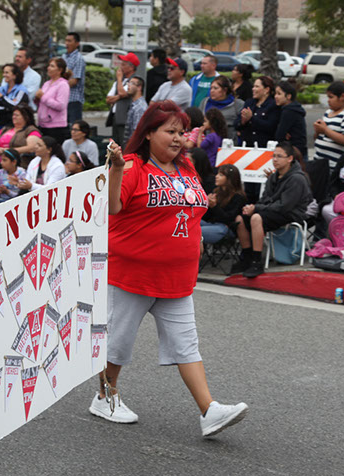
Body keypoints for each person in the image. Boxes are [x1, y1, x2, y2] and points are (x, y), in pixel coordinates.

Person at [90, 100, 248, 437]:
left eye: (181, 131)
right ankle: (105, 395)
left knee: (186, 344)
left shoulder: (187, 168)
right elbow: (114, 207)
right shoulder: (132, 166)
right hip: (131, 274)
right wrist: (116, 168)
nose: (178, 138)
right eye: (169, 131)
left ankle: (209, 410)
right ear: (148, 133)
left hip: (177, 277)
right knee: (118, 343)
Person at [233, 142, 313, 278]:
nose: (275, 159)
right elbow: (264, 200)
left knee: (256, 218)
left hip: (291, 214)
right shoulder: (273, 177)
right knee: (240, 218)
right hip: (274, 211)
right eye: (273, 156)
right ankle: (247, 255)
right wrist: (252, 208)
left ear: (290, 159)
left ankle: (256, 261)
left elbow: (285, 206)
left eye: (279, 156)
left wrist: (257, 209)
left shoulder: (297, 179)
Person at [0, 105, 41, 185]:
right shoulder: (6, 128)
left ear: (25, 117)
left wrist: (10, 151)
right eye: (13, 115)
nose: (14, 117)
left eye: (17, 115)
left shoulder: (30, 130)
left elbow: (31, 148)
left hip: (14, 159)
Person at [313, 81, 344, 172]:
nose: (328, 100)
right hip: (319, 164)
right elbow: (319, 138)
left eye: (331, 97)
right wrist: (318, 131)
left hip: (335, 168)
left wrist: (325, 130)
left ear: (342, 97)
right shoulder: (328, 113)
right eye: (328, 97)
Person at [201, 164, 246, 243]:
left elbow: (228, 219)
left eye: (221, 175)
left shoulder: (238, 196)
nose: (216, 176)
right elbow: (206, 217)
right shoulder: (216, 192)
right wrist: (207, 205)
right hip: (211, 223)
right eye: (217, 174)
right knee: (189, 224)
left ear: (229, 179)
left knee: (194, 232)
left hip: (225, 227)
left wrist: (214, 206)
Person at [235, 76, 280, 149]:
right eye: (253, 86)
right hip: (246, 147)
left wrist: (252, 118)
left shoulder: (273, 105)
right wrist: (242, 121)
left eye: (257, 87)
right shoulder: (249, 103)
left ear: (266, 89)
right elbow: (237, 124)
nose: (253, 89)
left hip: (264, 148)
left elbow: (271, 126)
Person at [34, 58, 70, 145]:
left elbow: (60, 105)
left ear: (60, 70)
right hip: (43, 124)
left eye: (52, 66)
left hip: (56, 126)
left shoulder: (63, 85)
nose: (48, 68)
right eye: (49, 66)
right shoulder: (46, 84)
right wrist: (37, 99)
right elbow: (42, 102)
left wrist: (42, 97)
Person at [106, 52, 139, 144]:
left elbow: (122, 92)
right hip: (115, 118)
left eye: (123, 64)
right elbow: (108, 99)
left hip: (125, 119)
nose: (121, 67)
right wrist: (120, 96)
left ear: (131, 67)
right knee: (114, 145)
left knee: (124, 145)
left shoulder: (135, 80)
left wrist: (119, 79)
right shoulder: (119, 82)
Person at [0, 63, 29, 133]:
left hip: (15, 127)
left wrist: (2, 98)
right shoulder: (1, 89)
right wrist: (7, 109)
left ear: (15, 75)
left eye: (7, 73)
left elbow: (15, 107)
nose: (4, 75)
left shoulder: (21, 90)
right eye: (3, 72)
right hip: (0, 125)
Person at [274, 81, 307, 160]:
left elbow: (279, 136)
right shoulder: (294, 108)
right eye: (275, 93)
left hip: (294, 153)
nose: (275, 96)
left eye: (279, 94)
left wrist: (284, 137)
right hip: (300, 150)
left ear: (288, 96)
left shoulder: (289, 111)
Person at [12, 48, 41, 112]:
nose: (17, 59)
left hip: (25, 112)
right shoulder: (10, 73)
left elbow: (28, 96)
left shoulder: (35, 76)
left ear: (28, 60)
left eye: (20, 57)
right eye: (16, 56)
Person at [123, 76, 148, 147]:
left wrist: (129, 147)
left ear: (139, 87)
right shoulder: (135, 104)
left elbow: (137, 131)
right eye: (128, 83)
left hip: (133, 147)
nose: (128, 85)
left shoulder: (140, 107)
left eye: (132, 83)